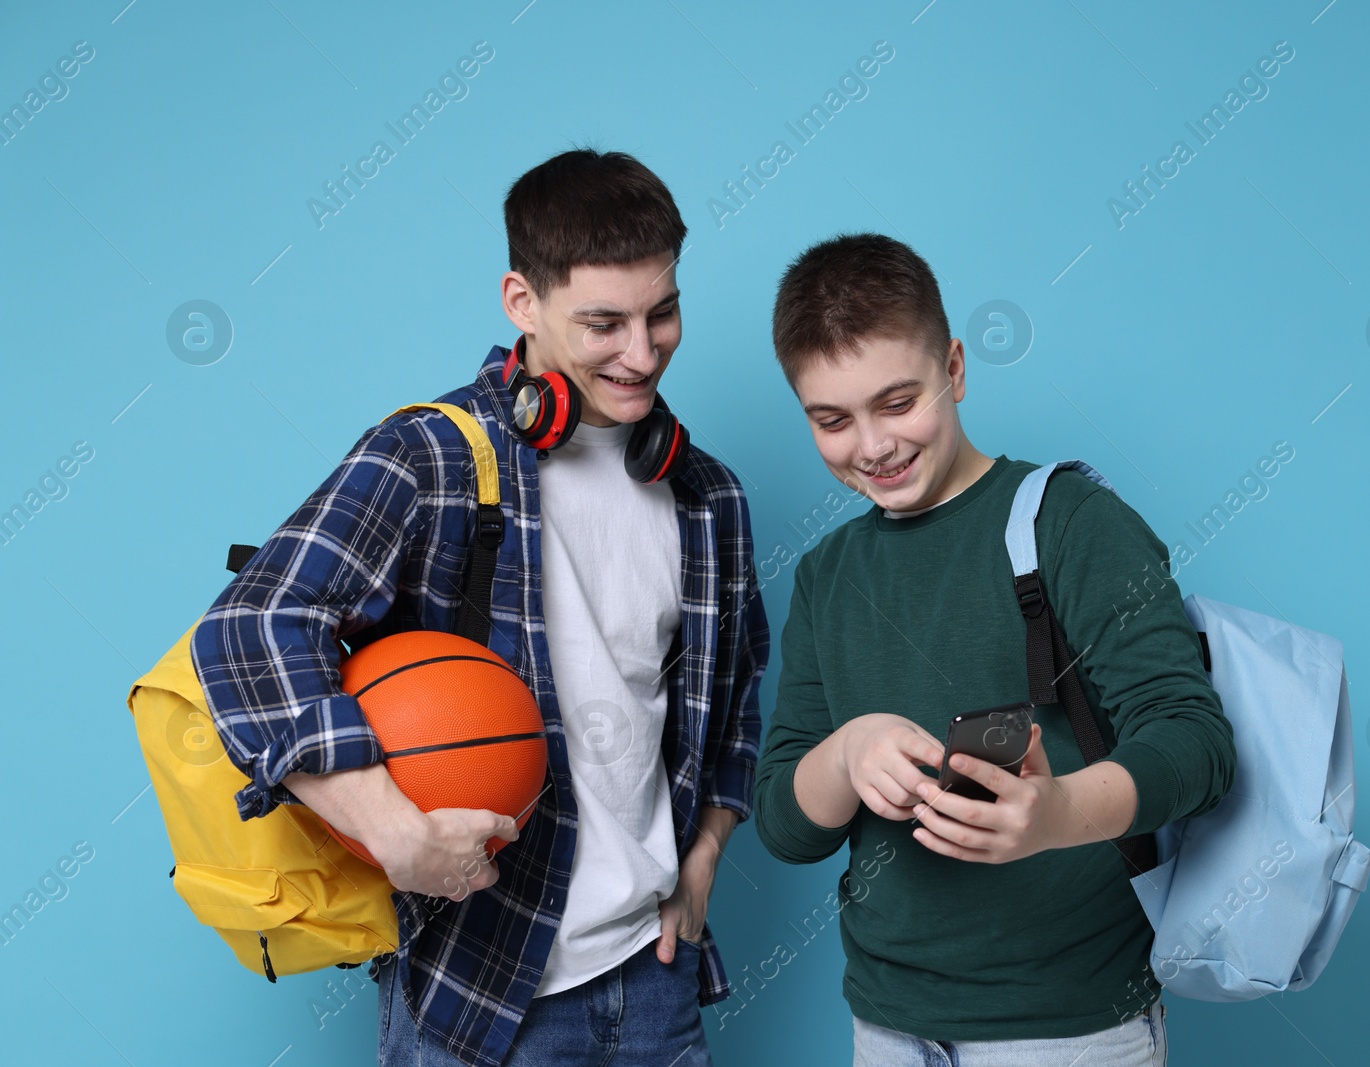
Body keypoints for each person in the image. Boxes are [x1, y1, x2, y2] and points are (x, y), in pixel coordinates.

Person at [192, 149, 768, 1067]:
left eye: (663, 313)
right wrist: (391, 829)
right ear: (522, 303)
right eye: (604, 323)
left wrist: (701, 856)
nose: (643, 350)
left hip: (657, 978)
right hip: (483, 988)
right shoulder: (432, 456)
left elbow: (734, 700)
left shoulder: (707, 496)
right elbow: (252, 626)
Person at [752, 233, 1236, 1066]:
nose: (871, 446)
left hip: (1070, 1027)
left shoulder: (1072, 523)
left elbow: (1196, 744)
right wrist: (846, 752)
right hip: (887, 1025)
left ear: (956, 369)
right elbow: (784, 827)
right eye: (832, 420)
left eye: (898, 402)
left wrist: (1056, 817)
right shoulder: (827, 576)